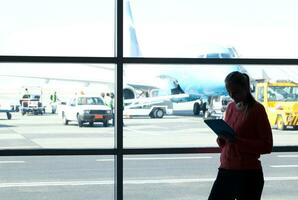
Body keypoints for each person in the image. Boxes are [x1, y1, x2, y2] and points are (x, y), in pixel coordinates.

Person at [208, 71, 273, 200]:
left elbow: (267, 145)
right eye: (229, 92)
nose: (232, 96)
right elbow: (228, 142)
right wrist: (222, 138)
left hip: (248, 174)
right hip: (226, 169)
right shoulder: (231, 107)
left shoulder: (257, 110)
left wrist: (237, 140)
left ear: (245, 89)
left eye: (236, 92)